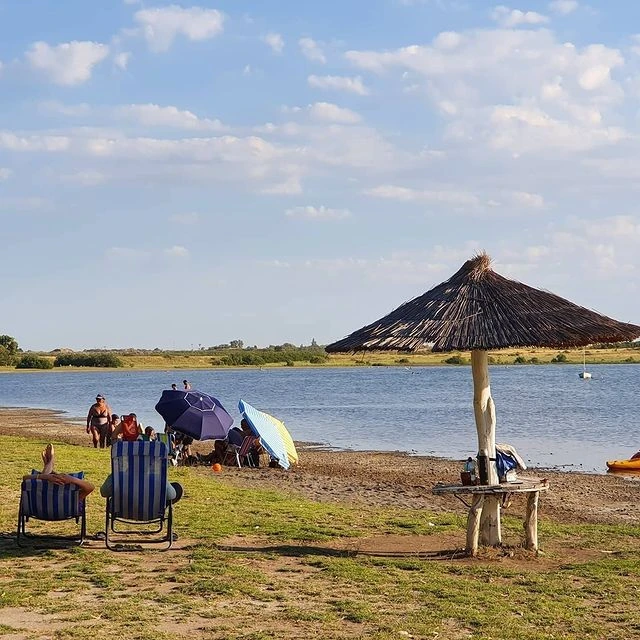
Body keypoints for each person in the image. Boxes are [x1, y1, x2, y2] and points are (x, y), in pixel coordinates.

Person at [24, 443, 95, 501]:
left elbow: (25, 478)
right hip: (66, 511)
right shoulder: (73, 500)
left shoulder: (39, 498)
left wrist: (46, 477)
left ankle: (49, 464)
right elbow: (90, 487)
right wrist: (72, 479)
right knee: (46, 479)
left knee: (43, 482)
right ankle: (50, 465)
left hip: (39, 506)